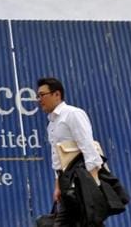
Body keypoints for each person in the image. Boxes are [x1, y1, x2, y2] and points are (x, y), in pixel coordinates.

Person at [37, 77, 105, 227]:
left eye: (42, 95)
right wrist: (58, 186)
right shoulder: (52, 124)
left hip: (81, 180)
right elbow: (58, 159)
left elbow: (88, 148)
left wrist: (92, 185)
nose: (39, 99)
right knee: (85, 222)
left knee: (75, 222)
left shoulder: (72, 114)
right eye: (38, 96)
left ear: (57, 94)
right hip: (67, 182)